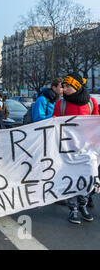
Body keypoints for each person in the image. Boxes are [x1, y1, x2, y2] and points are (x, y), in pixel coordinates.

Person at [53, 73, 99, 225]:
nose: (63, 89)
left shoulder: (91, 102)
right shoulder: (61, 104)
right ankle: (73, 209)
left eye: (67, 86)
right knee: (72, 178)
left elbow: (96, 123)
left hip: (87, 149)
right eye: (63, 86)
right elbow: (54, 123)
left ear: (76, 87)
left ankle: (83, 205)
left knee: (87, 177)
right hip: (68, 149)